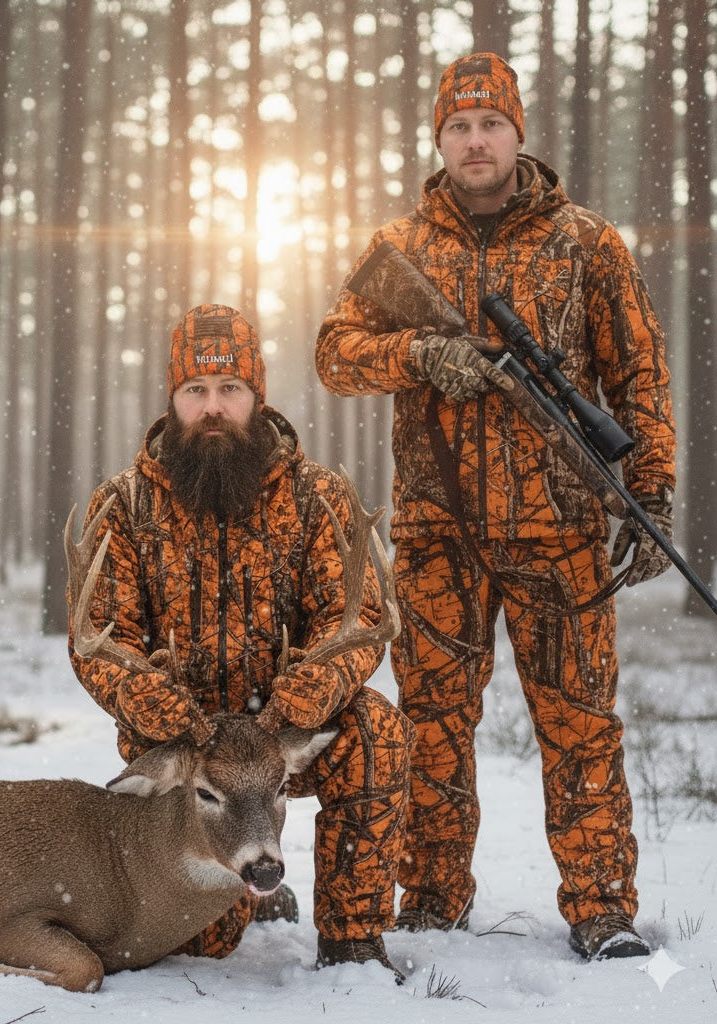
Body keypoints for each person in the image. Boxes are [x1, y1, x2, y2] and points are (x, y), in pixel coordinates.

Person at [315, 52, 675, 961]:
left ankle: (601, 910)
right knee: (432, 724)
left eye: (491, 125)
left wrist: (651, 490)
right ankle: (433, 903)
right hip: (437, 535)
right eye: (459, 128)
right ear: (440, 140)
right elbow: (334, 351)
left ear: (519, 134)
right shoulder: (401, 248)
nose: (476, 142)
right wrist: (420, 356)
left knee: (581, 723)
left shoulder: (588, 242)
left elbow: (638, 374)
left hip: (562, 532)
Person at [68, 303, 415, 981]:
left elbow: (357, 622)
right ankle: (245, 897)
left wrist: (292, 707)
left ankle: (352, 940)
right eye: (195, 391)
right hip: (185, 750)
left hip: (284, 736)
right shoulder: (126, 506)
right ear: (172, 402)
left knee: (374, 728)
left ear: (258, 398)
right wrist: (159, 707)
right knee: (203, 947)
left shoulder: (318, 499)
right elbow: (98, 642)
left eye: (231, 390)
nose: (214, 408)